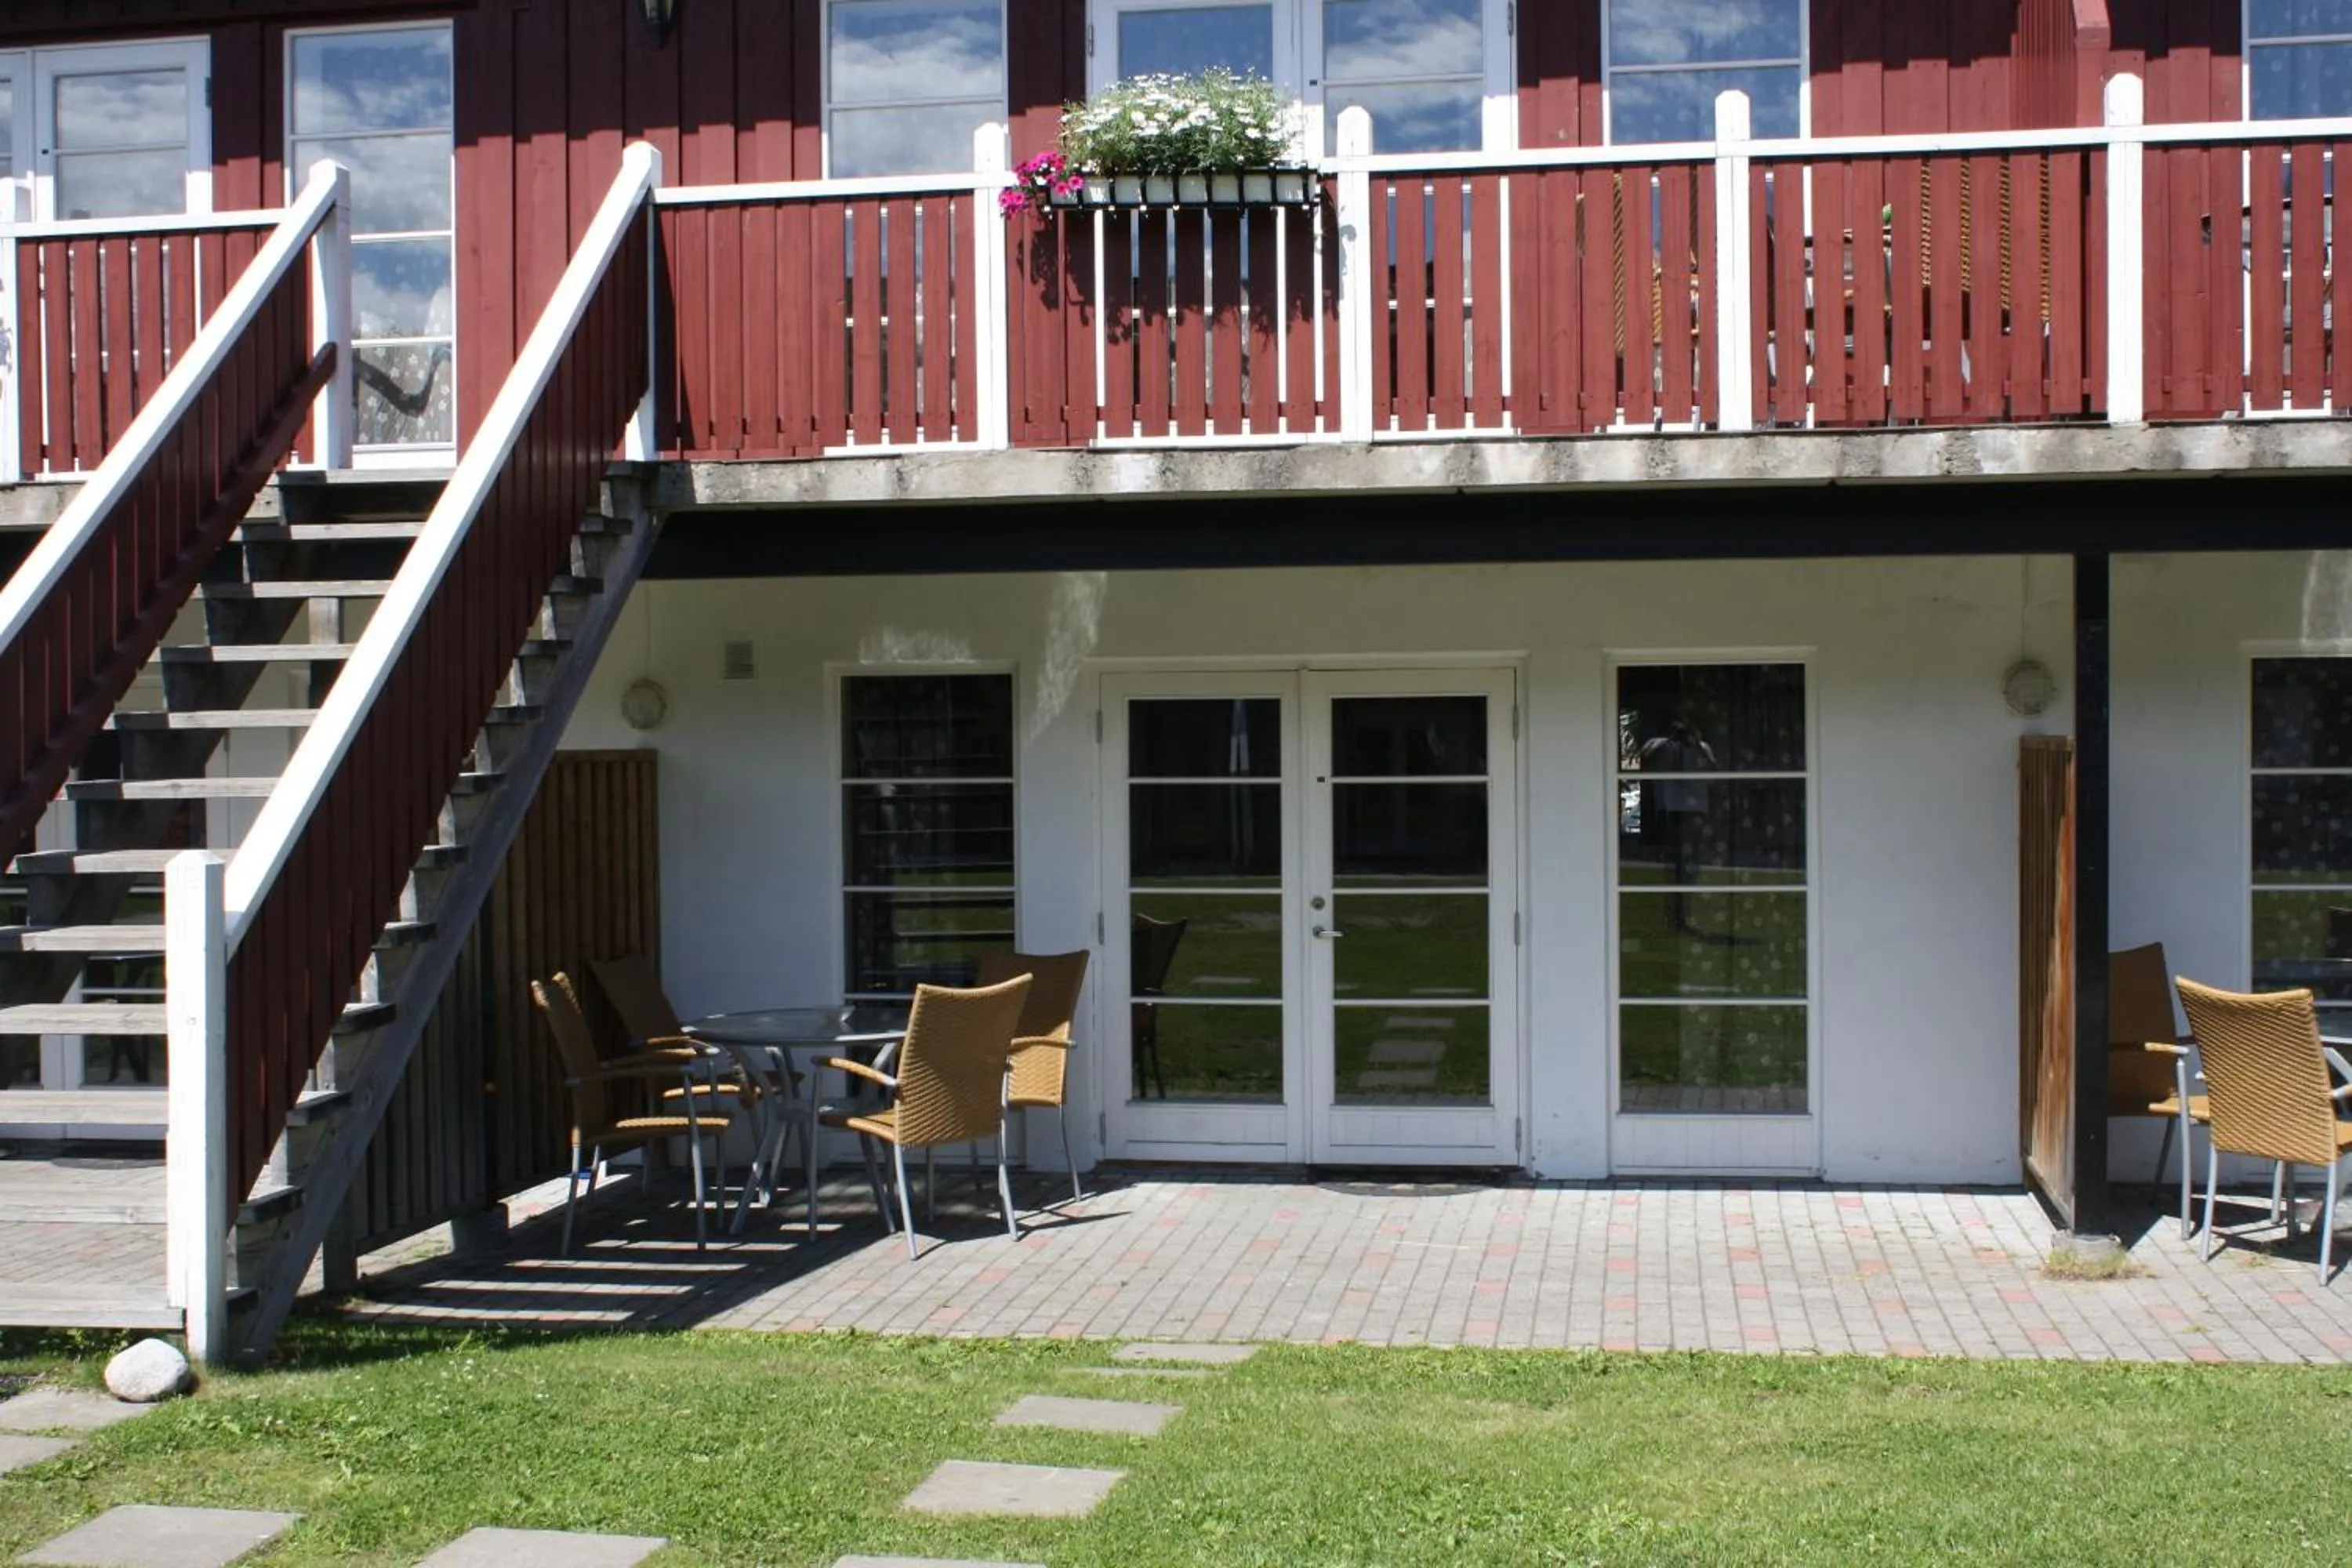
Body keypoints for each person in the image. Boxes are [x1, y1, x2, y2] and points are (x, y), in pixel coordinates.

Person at [1639, 701, 1717, 931]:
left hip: (1695, 810)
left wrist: (1695, 743)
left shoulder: (1702, 747)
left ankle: (1683, 913)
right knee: (1674, 865)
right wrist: (1670, 740)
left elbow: (1714, 772)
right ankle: (1673, 915)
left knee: (1690, 866)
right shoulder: (1659, 744)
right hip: (1671, 809)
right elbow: (1643, 762)